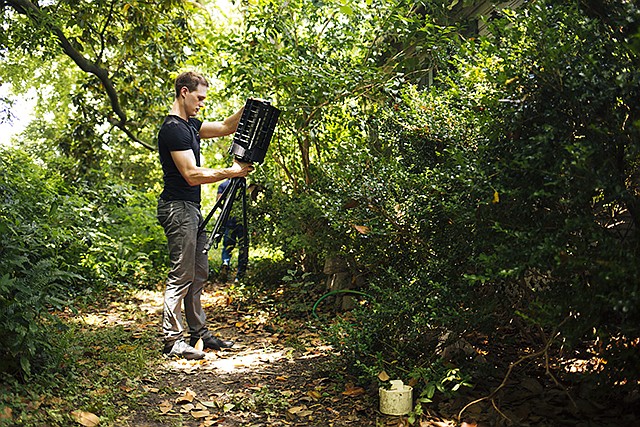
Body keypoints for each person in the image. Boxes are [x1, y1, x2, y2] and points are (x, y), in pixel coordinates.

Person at [156, 71, 253, 360]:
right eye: (199, 98)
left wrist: (248, 109)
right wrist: (231, 172)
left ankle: (199, 334)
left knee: (198, 273)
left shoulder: (190, 125)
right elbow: (190, 174)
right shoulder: (173, 128)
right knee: (181, 275)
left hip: (191, 210)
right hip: (178, 208)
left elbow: (225, 126)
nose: (201, 104)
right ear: (183, 92)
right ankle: (173, 340)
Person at [216, 179, 248, 282]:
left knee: (228, 246)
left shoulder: (223, 185)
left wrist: (227, 209)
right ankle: (240, 276)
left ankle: (225, 263)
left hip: (229, 220)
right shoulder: (244, 185)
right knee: (243, 247)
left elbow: (219, 201)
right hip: (243, 221)